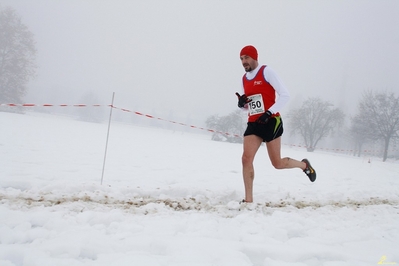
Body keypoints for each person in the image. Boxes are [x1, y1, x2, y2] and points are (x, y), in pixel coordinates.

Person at [236, 45, 316, 203]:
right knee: (246, 159)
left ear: (254, 58)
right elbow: (248, 107)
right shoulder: (244, 79)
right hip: (254, 123)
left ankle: (304, 166)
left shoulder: (266, 72)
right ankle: (248, 201)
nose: (244, 61)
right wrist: (241, 104)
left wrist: (268, 113)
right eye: (241, 59)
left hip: (271, 121)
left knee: (277, 163)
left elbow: (285, 95)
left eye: (246, 58)